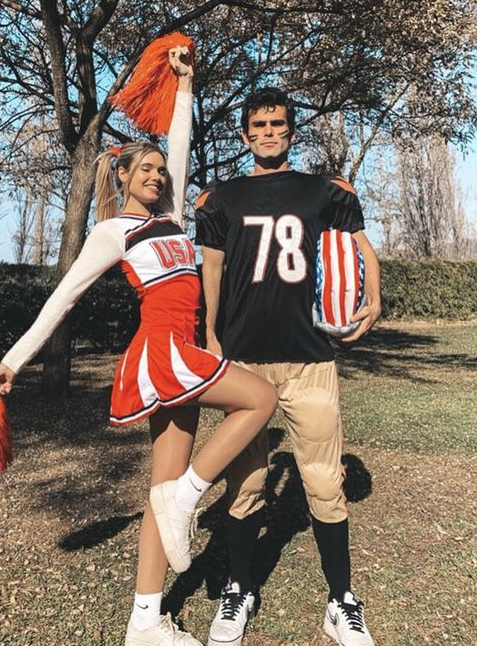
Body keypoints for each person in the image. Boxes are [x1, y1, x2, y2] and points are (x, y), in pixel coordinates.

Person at [0, 50, 277, 646]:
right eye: (146, 169)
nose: (158, 175)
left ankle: (144, 620)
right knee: (260, 399)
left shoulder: (170, 218)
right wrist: (12, 362)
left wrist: (185, 85)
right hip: (163, 352)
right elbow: (61, 299)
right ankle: (188, 497)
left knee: (159, 490)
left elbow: (183, 143)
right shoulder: (111, 232)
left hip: (183, 352)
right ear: (122, 177)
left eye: (161, 170)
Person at [195, 86, 381, 646]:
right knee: (246, 482)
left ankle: (341, 600)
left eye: (279, 123)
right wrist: (208, 333)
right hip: (245, 362)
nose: (270, 132)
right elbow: (214, 271)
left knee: (325, 483)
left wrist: (373, 297)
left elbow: (361, 248)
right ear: (246, 134)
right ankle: (240, 587)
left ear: (291, 131)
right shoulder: (220, 199)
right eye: (260, 125)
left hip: (310, 358)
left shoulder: (323, 191)